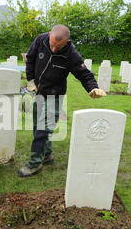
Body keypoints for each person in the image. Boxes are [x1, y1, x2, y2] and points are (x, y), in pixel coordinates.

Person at [18, 24, 107, 177]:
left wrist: (93, 87)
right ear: (49, 36)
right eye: (52, 44)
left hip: (55, 95)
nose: (53, 49)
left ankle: (35, 163)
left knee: (42, 129)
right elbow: (30, 59)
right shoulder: (41, 40)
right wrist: (31, 80)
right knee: (36, 126)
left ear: (67, 41)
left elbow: (84, 74)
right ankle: (47, 155)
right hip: (38, 92)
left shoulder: (71, 54)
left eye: (57, 47)